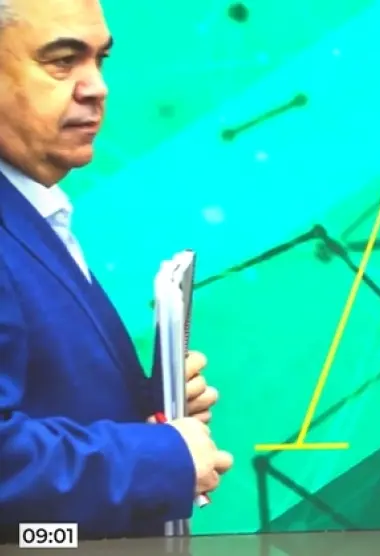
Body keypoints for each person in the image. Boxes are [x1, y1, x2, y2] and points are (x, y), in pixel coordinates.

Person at [0, 0, 233, 541]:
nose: (96, 87)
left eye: (99, 59)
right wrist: (161, 456)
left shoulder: (31, 209)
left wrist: (153, 409)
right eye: (62, 60)